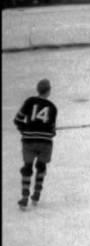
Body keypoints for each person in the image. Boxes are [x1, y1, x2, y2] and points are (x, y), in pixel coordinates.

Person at [13, 79, 58, 210]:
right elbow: (52, 131)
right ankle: (37, 193)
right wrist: (48, 132)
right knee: (41, 166)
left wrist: (24, 129)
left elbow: (17, 120)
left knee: (27, 167)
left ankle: (24, 196)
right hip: (45, 143)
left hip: (28, 141)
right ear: (48, 91)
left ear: (38, 90)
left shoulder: (29, 101)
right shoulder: (53, 108)